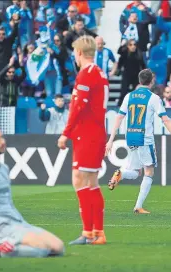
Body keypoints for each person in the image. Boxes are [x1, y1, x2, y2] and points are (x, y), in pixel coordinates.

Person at [0, 125, 65, 258]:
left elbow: (7, 202)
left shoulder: (4, 168)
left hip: (17, 222)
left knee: (59, 247)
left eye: (2, 137)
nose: (2, 142)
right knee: (42, 249)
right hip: (1, 227)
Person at [105, 69, 171, 214]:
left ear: (139, 80)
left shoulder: (129, 96)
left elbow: (119, 118)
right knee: (149, 172)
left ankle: (121, 172)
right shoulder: (154, 98)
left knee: (135, 172)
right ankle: (138, 206)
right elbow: (165, 119)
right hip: (144, 138)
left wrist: (110, 140)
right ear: (152, 81)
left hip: (131, 137)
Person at [57, 36, 109, 245]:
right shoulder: (100, 72)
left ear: (78, 53)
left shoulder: (86, 74)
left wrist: (65, 133)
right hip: (95, 131)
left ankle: (89, 232)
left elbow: (77, 107)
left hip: (87, 133)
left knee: (80, 180)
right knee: (91, 181)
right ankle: (96, 232)